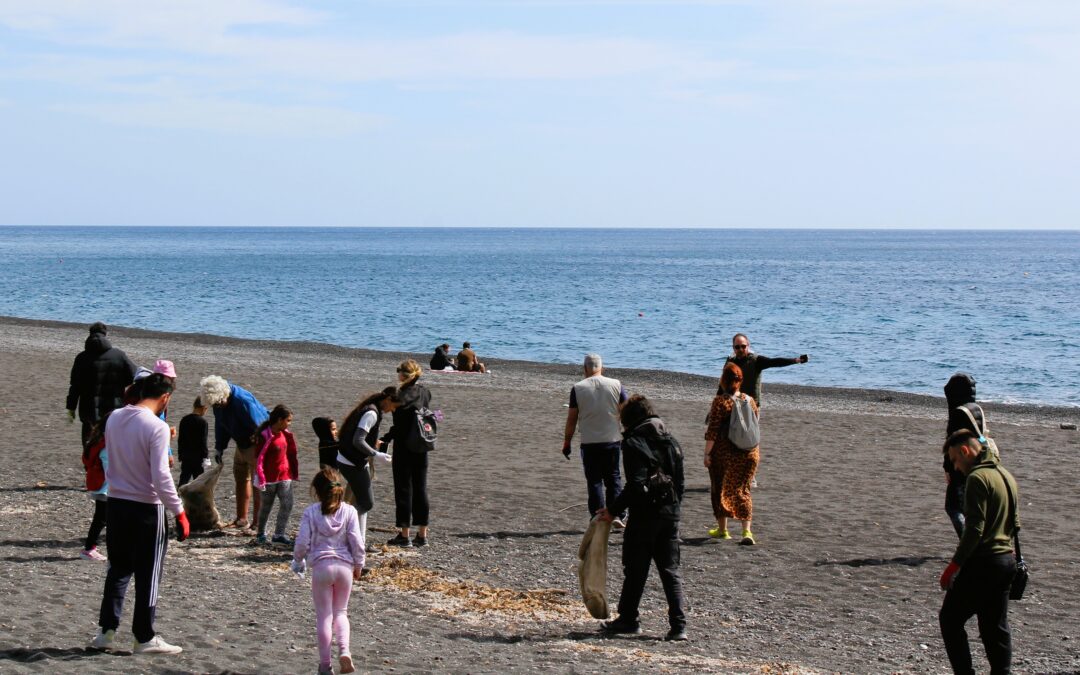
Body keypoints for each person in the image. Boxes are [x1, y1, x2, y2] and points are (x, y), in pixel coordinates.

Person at [89, 373, 190, 655]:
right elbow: (161, 476)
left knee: (118, 569)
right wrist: (179, 511)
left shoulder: (114, 417)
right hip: (147, 507)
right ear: (165, 397)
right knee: (149, 573)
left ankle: (106, 632)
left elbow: (111, 460)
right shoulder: (156, 427)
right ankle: (144, 636)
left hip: (117, 503)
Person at [597, 394, 687, 641]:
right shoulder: (672, 441)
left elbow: (635, 485)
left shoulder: (634, 443)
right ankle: (679, 626)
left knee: (635, 569)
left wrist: (612, 511)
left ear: (629, 420)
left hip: (645, 516)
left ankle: (628, 619)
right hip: (670, 513)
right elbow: (680, 483)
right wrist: (675, 508)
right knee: (670, 570)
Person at [939, 429, 1020, 674]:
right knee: (994, 625)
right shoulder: (1006, 475)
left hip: (982, 562)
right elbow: (1015, 523)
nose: (955, 467)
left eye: (954, 459)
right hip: (1006, 561)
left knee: (950, 620)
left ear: (965, 451)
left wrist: (954, 566)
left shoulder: (977, 478)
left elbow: (974, 528)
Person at [292, 468, 364, 675]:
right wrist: (359, 564)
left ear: (317, 491)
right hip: (344, 568)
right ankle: (345, 650)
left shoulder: (311, 512)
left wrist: (298, 560)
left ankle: (325, 665)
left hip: (322, 568)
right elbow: (357, 542)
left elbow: (302, 542)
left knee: (324, 616)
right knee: (341, 612)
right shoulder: (350, 511)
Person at [562, 353, 628, 523]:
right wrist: (628, 433)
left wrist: (567, 442)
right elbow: (626, 412)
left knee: (594, 481)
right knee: (613, 478)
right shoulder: (616, 385)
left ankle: (598, 515)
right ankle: (616, 514)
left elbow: (572, 418)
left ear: (585, 369)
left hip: (589, 442)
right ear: (602, 368)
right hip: (612, 440)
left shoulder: (578, 388)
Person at [199, 375, 269, 530]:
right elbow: (221, 424)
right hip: (241, 444)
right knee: (241, 479)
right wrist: (219, 447)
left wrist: (261, 450)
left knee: (258, 484)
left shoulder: (242, 402)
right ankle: (241, 519)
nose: (218, 406)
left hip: (256, 445)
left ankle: (257, 524)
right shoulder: (219, 404)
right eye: (215, 405)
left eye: (219, 403)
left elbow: (262, 425)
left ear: (225, 394)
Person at [704, 363, 760, 545]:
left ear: (723, 380)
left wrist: (707, 454)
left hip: (725, 452)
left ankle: (723, 530)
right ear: (740, 380)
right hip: (750, 452)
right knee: (743, 490)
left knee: (719, 488)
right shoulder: (749, 400)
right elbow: (755, 422)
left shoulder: (720, 401)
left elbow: (712, 431)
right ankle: (747, 532)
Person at [337, 388, 396, 550]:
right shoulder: (372, 413)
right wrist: (376, 454)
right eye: (394, 406)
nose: (393, 410)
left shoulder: (371, 408)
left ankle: (358, 542)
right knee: (366, 503)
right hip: (352, 462)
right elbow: (358, 440)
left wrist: (374, 446)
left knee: (359, 502)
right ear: (389, 399)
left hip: (348, 459)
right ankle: (343, 534)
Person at [382, 360, 433, 547]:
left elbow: (399, 426)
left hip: (404, 446)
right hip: (422, 444)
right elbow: (426, 414)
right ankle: (422, 534)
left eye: (398, 372)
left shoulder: (400, 395)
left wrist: (386, 438)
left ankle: (404, 535)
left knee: (403, 488)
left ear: (403, 375)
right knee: (421, 488)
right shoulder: (424, 391)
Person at [66, 322, 137, 446]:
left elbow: (75, 386)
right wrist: (120, 384)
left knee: (89, 448)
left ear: (90, 335)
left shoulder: (82, 358)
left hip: (89, 410)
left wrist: (71, 408)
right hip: (114, 409)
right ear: (106, 334)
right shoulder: (118, 355)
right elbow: (134, 375)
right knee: (111, 446)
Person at [943, 373, 983, 539]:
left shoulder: (958, 412)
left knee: (953, 507)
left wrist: (947, 468)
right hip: (978, 463)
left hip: (961, 466)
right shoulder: (976, 409)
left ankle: (967, 541)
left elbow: (953, 443)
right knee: (972, 508)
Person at [253, 405, 299, 545]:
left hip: (285, 476)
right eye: (288, 420)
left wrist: (293, 470)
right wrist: (261, 477)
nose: (289, 424)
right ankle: (261, 533)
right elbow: (258, 457)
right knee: (266, 507)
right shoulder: (265, 436)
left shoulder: (285, 434)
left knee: (287, 504)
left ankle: (279, 534)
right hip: (269, 479)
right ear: (280, 420)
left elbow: (290, 453)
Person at [721, 333, 808, 406]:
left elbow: (775, 362)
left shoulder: (756, 360)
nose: (740, 349)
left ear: (748, 346)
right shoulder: (730, 362)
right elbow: (723, 385)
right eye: (737, 347)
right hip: (733, 403)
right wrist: (717, 405)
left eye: (743, 346)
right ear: (733, 348)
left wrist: (796, 360)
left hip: (751, 405)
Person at [80, 416, 110, 561]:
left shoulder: (97, 442)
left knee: (103, 519)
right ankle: (89, 549)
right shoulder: (106, 447)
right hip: (106, 489)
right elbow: (110, 470)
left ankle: (90, 548)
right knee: (101, 520)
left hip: (100, 488)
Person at [177, 398, 209, 487]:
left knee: (183, 480)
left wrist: (180, 454)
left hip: (186, 456)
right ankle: (196, 500)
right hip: (198, 458)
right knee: (199, 483)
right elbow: (203, 442)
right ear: (203, 408)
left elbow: (181, 439)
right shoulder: (203, 422)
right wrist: (206, 457)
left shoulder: (184, 420)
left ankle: (178, 498)